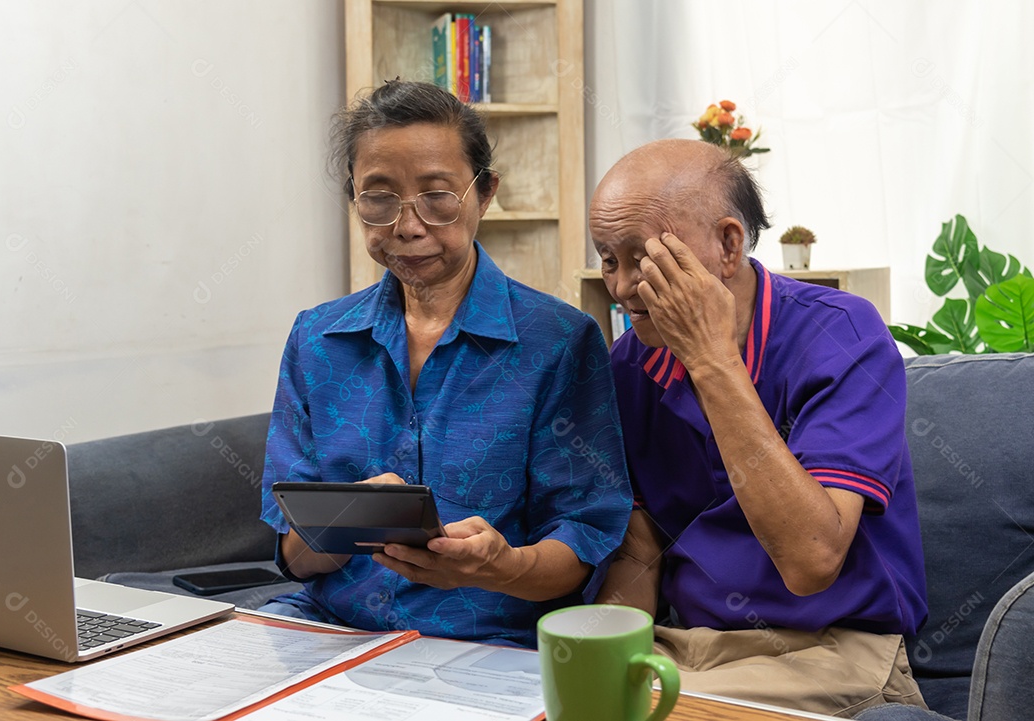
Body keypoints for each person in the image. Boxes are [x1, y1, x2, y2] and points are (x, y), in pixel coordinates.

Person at [257, 80, 631, 648]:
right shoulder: (317, 338)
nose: (408, 226)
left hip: (485, 644)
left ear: (485, 195)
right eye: (379, 198)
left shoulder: (558, 341)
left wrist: (501, 565)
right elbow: (295, 555)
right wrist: (351, 518)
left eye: (437, 196)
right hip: (329, 632)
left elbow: (585, 541)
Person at [591, 139, 929, 717]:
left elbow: (812, 559)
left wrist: (711, 360)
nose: (621, 288)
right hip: (693, 647)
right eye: (607, 259)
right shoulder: (629, 365)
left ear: (728, 244)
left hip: (831, 648)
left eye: (642, 259)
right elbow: (641, 542)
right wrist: (607, 651)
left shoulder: (842, 335)